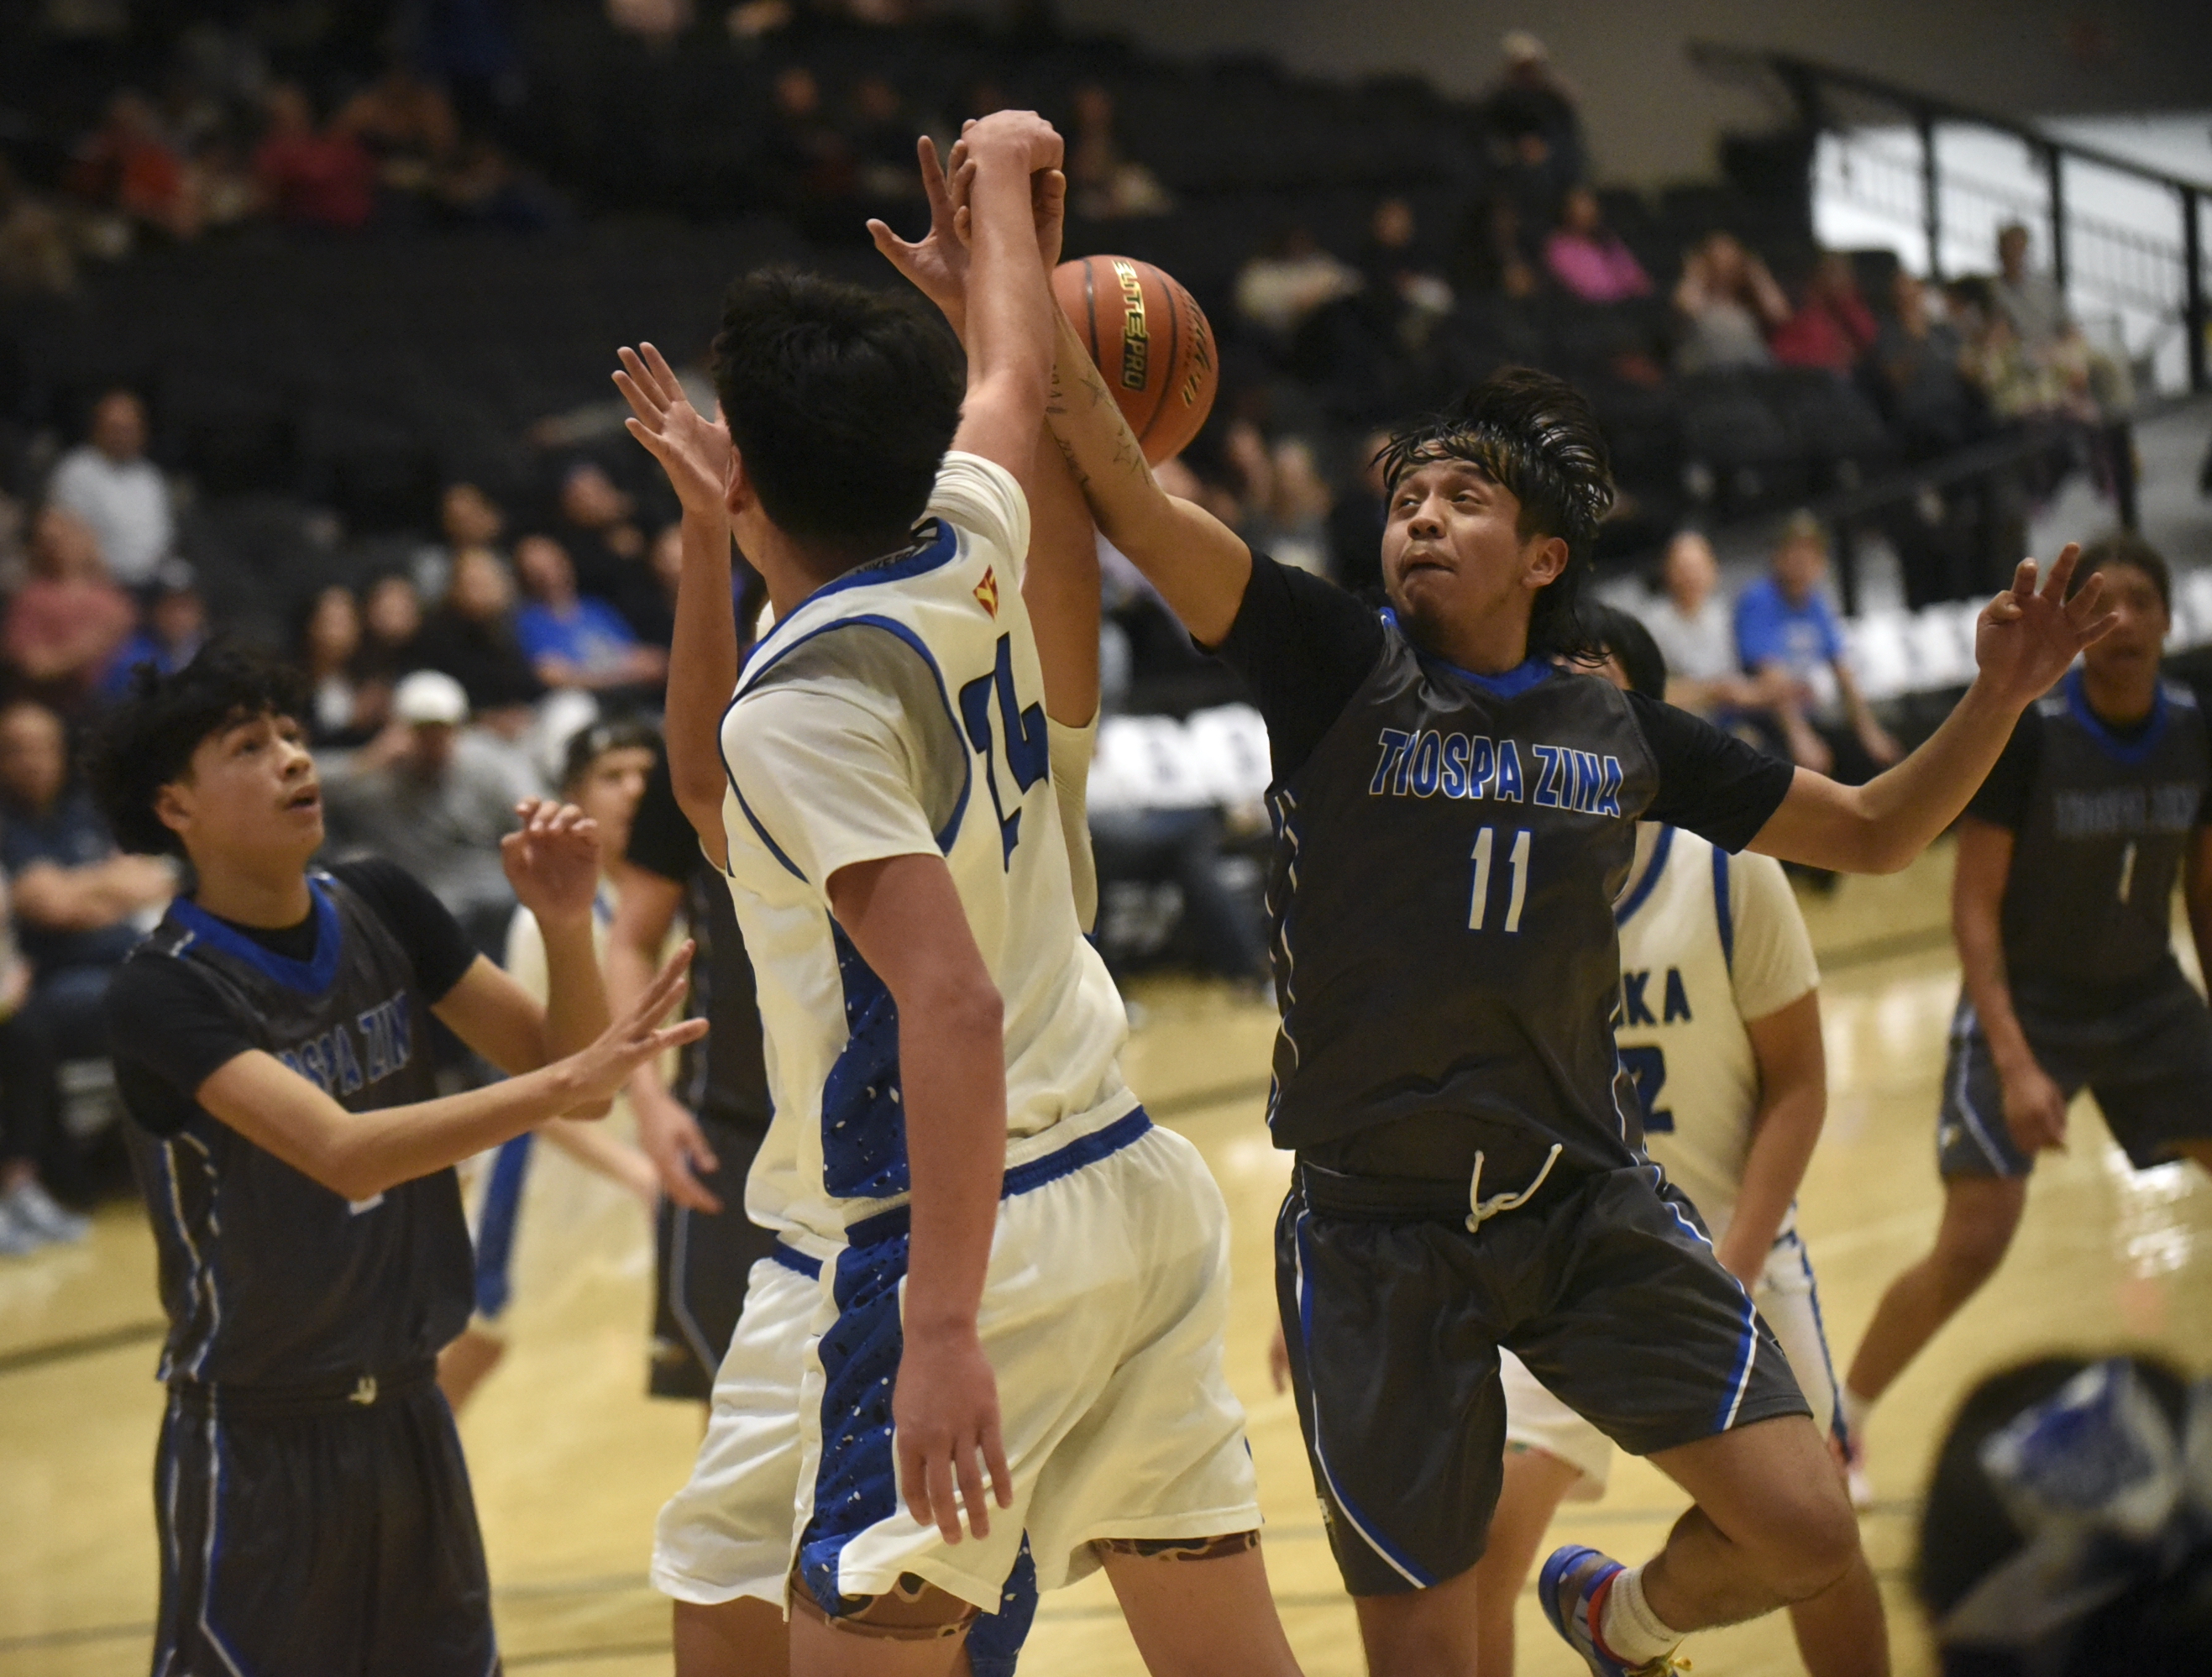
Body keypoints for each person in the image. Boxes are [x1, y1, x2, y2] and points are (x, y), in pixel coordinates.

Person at [1041, 307, 2110, 1673]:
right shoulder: (1332, 660)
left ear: (1541, 556)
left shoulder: (1614, 728)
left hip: (1578, 1203)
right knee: (1428, 1656)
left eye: (1461, 499)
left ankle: (1623, 1617)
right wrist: (1017, 277)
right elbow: (1132, 502)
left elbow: (1872, 829)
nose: (1421, 519)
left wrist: (1998, 695)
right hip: (1378, 1236)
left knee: (1805, 1526)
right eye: (1406, 502)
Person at [627, 113, 1300, 1677]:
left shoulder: (805, 706)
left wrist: (936, 1325)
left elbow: (949, 996)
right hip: (1122, 1185)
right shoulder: (969, 532)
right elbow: (1005, 378)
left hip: (946, 1235)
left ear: (756, 472)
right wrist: (1005, 200)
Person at [86, 646, 700, 1674]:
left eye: (291, 734)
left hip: (412, 1409)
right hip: (260, 1434)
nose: (293, 757)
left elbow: (583, 1084)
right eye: (249, 746)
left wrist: (562, 923)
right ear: (175, 805)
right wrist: (564, 1078)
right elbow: (343, 1152)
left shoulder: (380, 897)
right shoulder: (164, 988)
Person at [1467, 605, 1888, 1676]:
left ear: (1650, 722)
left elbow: (1800, 1086)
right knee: (1478, 1554)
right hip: (1562, 1264)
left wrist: (1732, 1261)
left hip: (1736, 1251)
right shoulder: (1494, 880)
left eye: (1596, 692)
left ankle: (1628, 1618)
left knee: (1823, 1543)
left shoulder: (1726, 867)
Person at [1841, 534, 2212, 1506]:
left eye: (2141, 602)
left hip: (2146, 996)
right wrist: (2013, 1061)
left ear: (2171, 620)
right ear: (2080, 628)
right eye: (2103, 604)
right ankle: (1844, 1421)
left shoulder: (2195, 727)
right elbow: (1973, 907)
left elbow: (2206, 894)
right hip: (2031, 999)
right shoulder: (2034, 733)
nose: (2123, 621)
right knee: (1975, 1238)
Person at [439, 718, 663, 1410]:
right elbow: (526, 1081)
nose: (634, 789)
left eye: (646, 774)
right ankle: (402, 1471)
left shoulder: (682, 897)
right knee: (477, 1341)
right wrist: (633, 1168)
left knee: (715, 1340)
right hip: (554, 1165)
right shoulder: (553, 917)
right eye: (613, 776)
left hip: (657, 1155)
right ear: (575, 798)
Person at [0, 698, 177, 1196]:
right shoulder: (6, 826)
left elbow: (155, 877)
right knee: (158, 998)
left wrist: (81, 891)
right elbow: (52, 907)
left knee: (199, 976)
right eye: (16, 749)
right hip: (52, 986)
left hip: (131, 957)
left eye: (43, 747)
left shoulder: (84, 812)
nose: (32, 760)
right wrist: (108, 887)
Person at [318, 669, 537, 951]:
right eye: (422, 731)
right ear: (400, 731)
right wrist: (365, 762)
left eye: (441, 730)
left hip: (485, 896)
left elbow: (529, 814)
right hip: (414, 901)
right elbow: (306, 785)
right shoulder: (377, 777)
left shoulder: (485, 765)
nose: (433, 741)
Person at [1734, 511, 1900, 781]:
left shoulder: (1817, 604)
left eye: (1811, 553)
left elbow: (1843, 672)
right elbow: (1770, 674)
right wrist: (1800, 736)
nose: (1803, 561)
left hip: (1806, 714)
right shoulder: (1759, 600)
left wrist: (1870, 732)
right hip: (1761, 719)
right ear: (1777, 556)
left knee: (1877, 761)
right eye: (1795, 551)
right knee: (1791, 768)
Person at [5, 505, 138, 710]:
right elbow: (31, 665)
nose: (58, 546)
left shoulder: (112, 599)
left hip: (115, 702)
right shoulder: (31, 598)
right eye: (49, 540)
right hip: (54, 706)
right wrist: (86, 649)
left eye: (66, 537)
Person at [511, 532, 668, 694]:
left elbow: (639, 656)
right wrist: (619, 677)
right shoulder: (529, 622)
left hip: (628, 694)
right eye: (537, 572)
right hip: (582, 699)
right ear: (525, 578)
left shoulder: (595, 607)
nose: (550, 577)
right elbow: (552, 676)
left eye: (554, 566)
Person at [47, 388, 173, 588]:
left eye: (130, 429)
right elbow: (66, 537)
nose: (123, 436)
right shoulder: (77, 471)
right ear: (97, 429)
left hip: (154, 581)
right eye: (116, 429)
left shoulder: (150, 477)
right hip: (100, 583)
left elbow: (164, 536)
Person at [1637, 530, 1768, 719]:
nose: (1691, 577)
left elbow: (1746, 682)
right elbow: (1649, 692)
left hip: (1731, 717)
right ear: (1667, 572)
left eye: (1697, 568)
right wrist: (1709, 692)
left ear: (1713, 570)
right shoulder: (1652, 624)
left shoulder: (1726, 615)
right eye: (1683, 569)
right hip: (1680, 720)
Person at [1673, 233, 1790, 374]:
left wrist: (1757, 274)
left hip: (1750, 371)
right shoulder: (1696, 297)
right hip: (1705, 372)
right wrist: (1695, 273)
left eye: (1731, 256)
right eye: (1716, 257)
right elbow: (1687, 307)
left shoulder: (1748, 302)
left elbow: (1780, 315)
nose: (1724, 263)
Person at [1544, 186, 1650, 307]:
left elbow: (1636, 276)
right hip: (1593, 310)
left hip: (1630, 305)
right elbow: (1588, 289)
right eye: (1584, 208)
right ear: (1567, 213)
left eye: (1592, 206)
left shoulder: (1607, 238)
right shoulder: (1559, 247)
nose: (1591, 212)